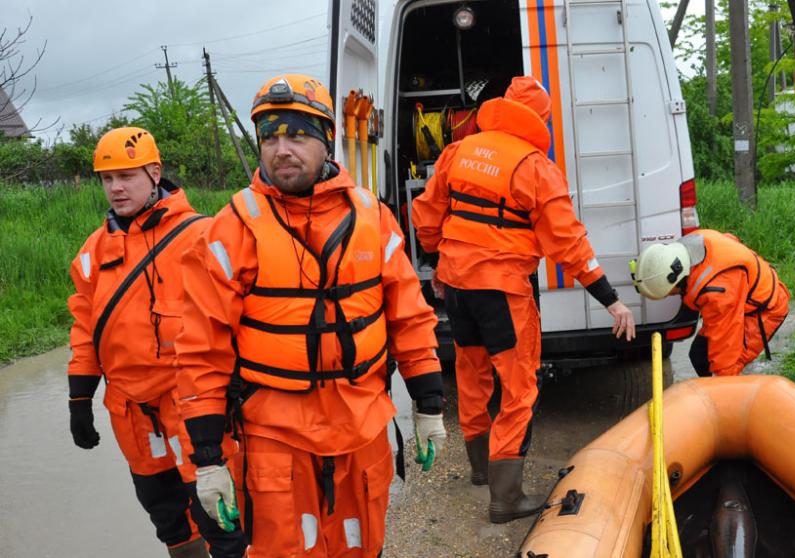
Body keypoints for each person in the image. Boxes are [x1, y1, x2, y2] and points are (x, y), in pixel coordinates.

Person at [175, 74, 446, 557]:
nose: (282, 149)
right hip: (274, 439)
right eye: (270, 137)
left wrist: (428, 404)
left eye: (297, 135)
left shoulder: (372, 218)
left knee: (365, 547)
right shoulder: (230, 229)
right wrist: (208, 458)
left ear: (326, 141)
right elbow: (200, 350)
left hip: (362, 429)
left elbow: (410, 316)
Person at [411, 75, 636, 524]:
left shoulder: (459, 151)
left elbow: (427, 214)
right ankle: (506, 498)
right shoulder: (534, 165)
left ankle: (481, 470)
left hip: (457, 285)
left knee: (472, 374)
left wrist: (439, 263)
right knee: (519, 388)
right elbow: (568, 242)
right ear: (539, 119)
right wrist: (611, 299)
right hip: (501, 290)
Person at [66, 127, 245, 558]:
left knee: (218, 513)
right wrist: (79, 398)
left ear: (155, 172)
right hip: (131, 411)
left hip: (191, 404)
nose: (116, 188)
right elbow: (85, 328)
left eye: (126, 176)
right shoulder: (94, 250)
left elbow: (235, 316)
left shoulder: (201, 235)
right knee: (166, 517)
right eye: (107, 179)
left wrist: (240, 385)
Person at [632, 228, 790, 377]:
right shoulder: (691, 246)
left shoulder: (718, 294)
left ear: (676, 281)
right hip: (738, 298)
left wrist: (721, 387)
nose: (669, 296)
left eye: (668, 293)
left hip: (765, 311)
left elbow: (726, 348)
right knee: (699, 356)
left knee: (726, 367)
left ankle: (733, 402)